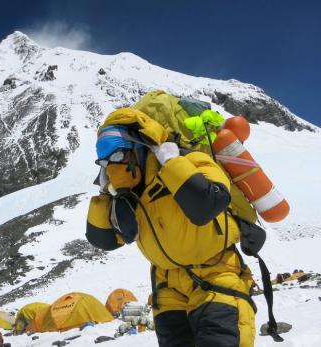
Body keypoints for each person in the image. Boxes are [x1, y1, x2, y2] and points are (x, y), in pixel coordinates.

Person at [86, 106, 258, 347]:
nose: (113, 165)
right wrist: (105, 193)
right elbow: (102, 239)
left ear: (140, 147)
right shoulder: (127, 197)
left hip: (216, 276)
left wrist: (172, 162)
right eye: (104, 159)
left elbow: (208, 203)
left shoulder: (192, 160)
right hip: (167, 290)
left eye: (118, 154)